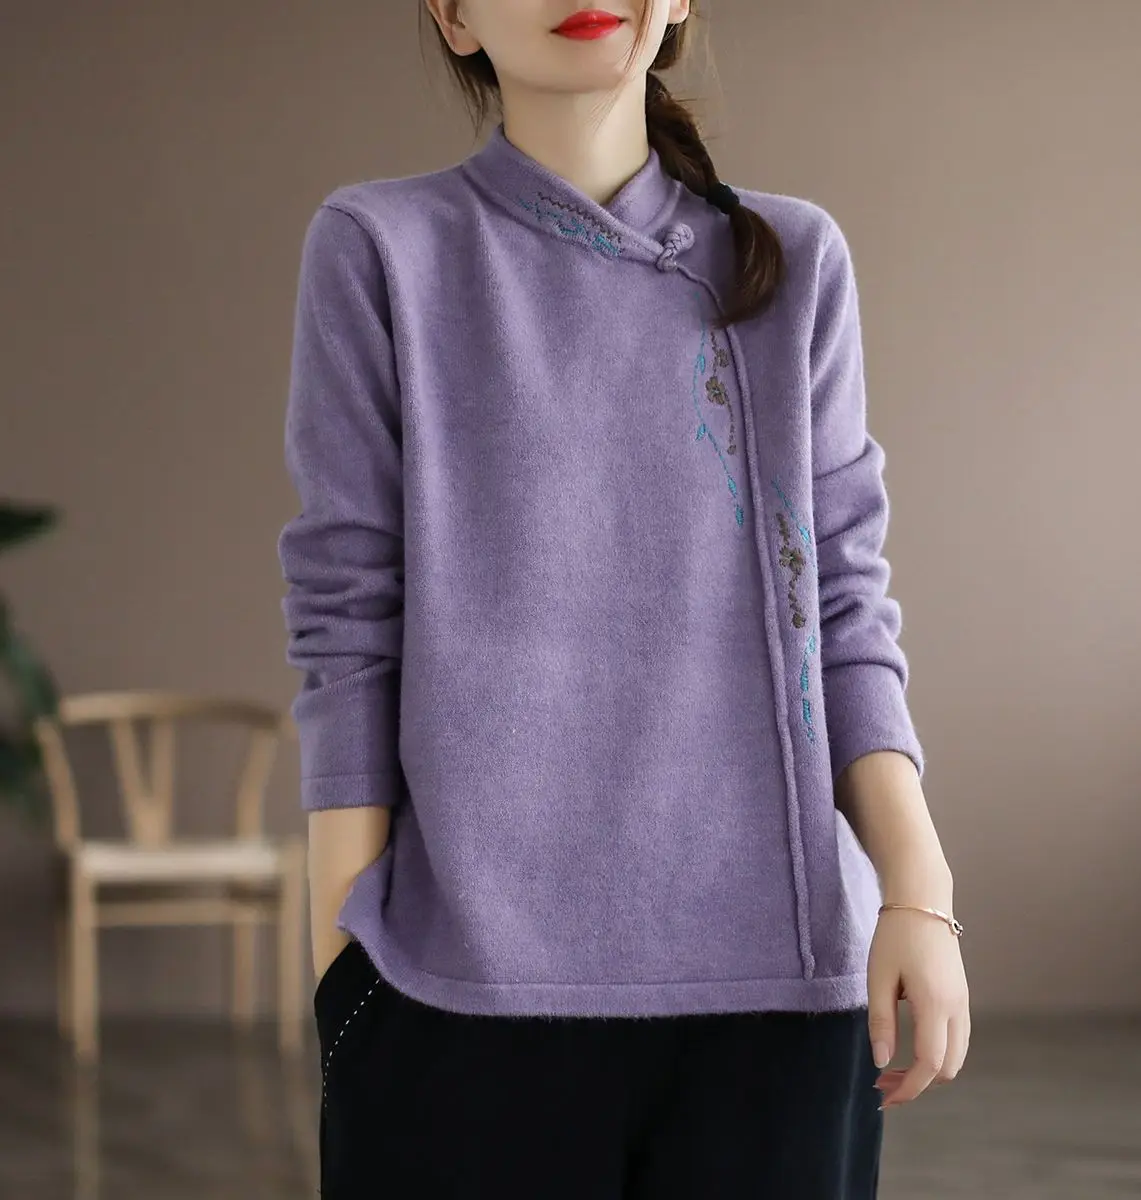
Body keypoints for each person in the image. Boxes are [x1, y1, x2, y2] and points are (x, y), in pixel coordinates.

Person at [277, 2, 970, 1196]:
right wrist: (343, 967)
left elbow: (844, 608)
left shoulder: (793, 258)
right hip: (454, 1002)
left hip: (779, 1004)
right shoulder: (381, 247)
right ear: (452, 15)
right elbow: (348, 622)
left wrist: (920, 889)